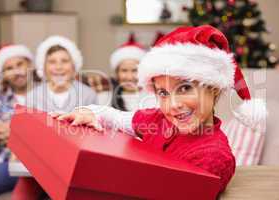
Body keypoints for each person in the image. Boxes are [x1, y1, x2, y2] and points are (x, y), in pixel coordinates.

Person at [54, 25, 266, 193]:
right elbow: (118, 118)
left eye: (184, 88)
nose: (173, 105)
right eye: (163, 93)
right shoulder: (158, 120)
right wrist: (91, 113)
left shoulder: (212, 157)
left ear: (215, 90)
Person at [0, 44, 37, 199]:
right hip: (8, 164)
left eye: (20, 64)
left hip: (44, 165)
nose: (17, 71)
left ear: (30, 64)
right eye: (9, 68)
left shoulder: (48, 93)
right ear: (3, 74)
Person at [27, 35, 97, 113]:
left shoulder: (88, 95)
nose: (59, 67)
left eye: (64, 61)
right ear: (43, 67)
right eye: (52, 62)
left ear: (74, 66)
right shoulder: (32, 97)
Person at [97, 33, 156, 111]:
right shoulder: (103, 98)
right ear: (117, 73)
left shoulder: (154, 99)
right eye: (124, 70)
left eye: (135, 70)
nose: (129, 77)